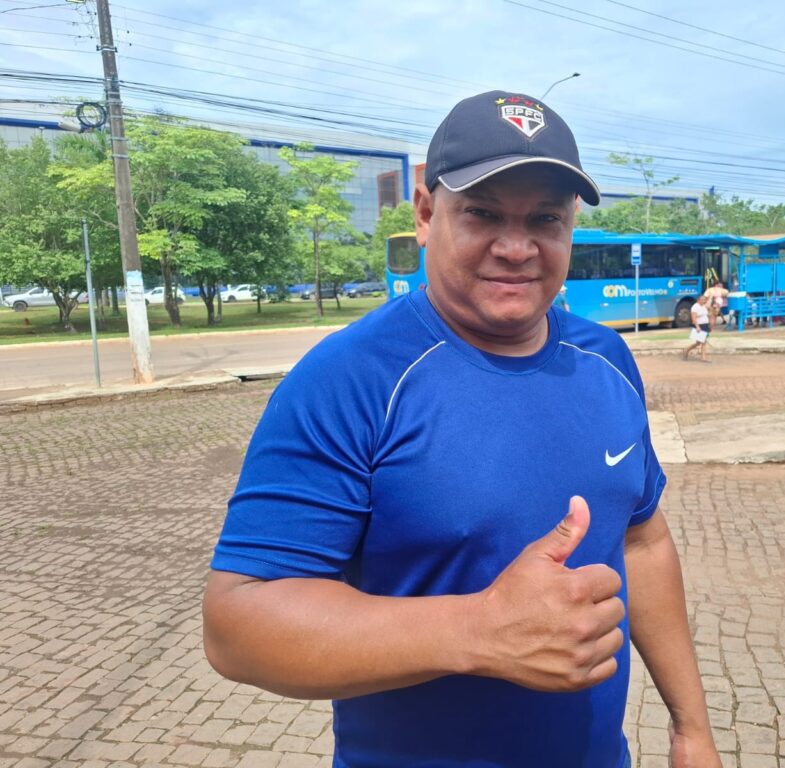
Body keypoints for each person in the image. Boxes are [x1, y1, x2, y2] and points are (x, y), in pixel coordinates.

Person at [203, 90, 721, 768]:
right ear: (426, 214)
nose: (517, 248)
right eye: (482, 213)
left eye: (545, 219)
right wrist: (480, 629)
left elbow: (642, 540)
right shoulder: (351, 377)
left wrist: (691, 729)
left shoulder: (606, 359)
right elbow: (237, 624)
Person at [683, 295, 712, 363]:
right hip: (699, 325)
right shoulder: (695, 307)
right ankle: (702, 357)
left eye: (704, 299)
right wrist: (697, 327)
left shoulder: (703, 306)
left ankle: (688, 349)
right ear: (698, 300)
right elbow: (694, 318)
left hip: (705, 325)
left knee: (700, 342)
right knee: (702, 342)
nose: (703, 301)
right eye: (702, 299)